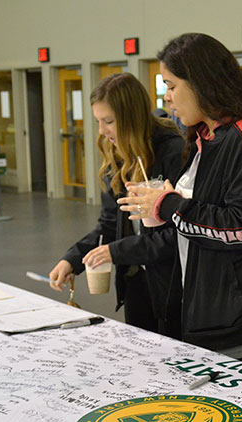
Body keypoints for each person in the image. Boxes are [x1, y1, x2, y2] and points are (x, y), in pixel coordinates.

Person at [118, 33, 242, 368]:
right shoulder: (205, 136)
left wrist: (170, 205)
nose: (167, 97)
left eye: (172, 85)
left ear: (201, 82)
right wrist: (163, 207)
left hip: (236, 314)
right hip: (205, 304)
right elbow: (200, 215)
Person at [49, 73, 184, 338]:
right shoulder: (117, 155)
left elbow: (179, 234)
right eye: (98, 122)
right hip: (136, 280)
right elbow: (110, 223)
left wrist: (117, 251)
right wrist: (73, 258)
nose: (102, 131)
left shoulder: (173, 151)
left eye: (108, 122)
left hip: (172, 285)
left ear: (131, 117)